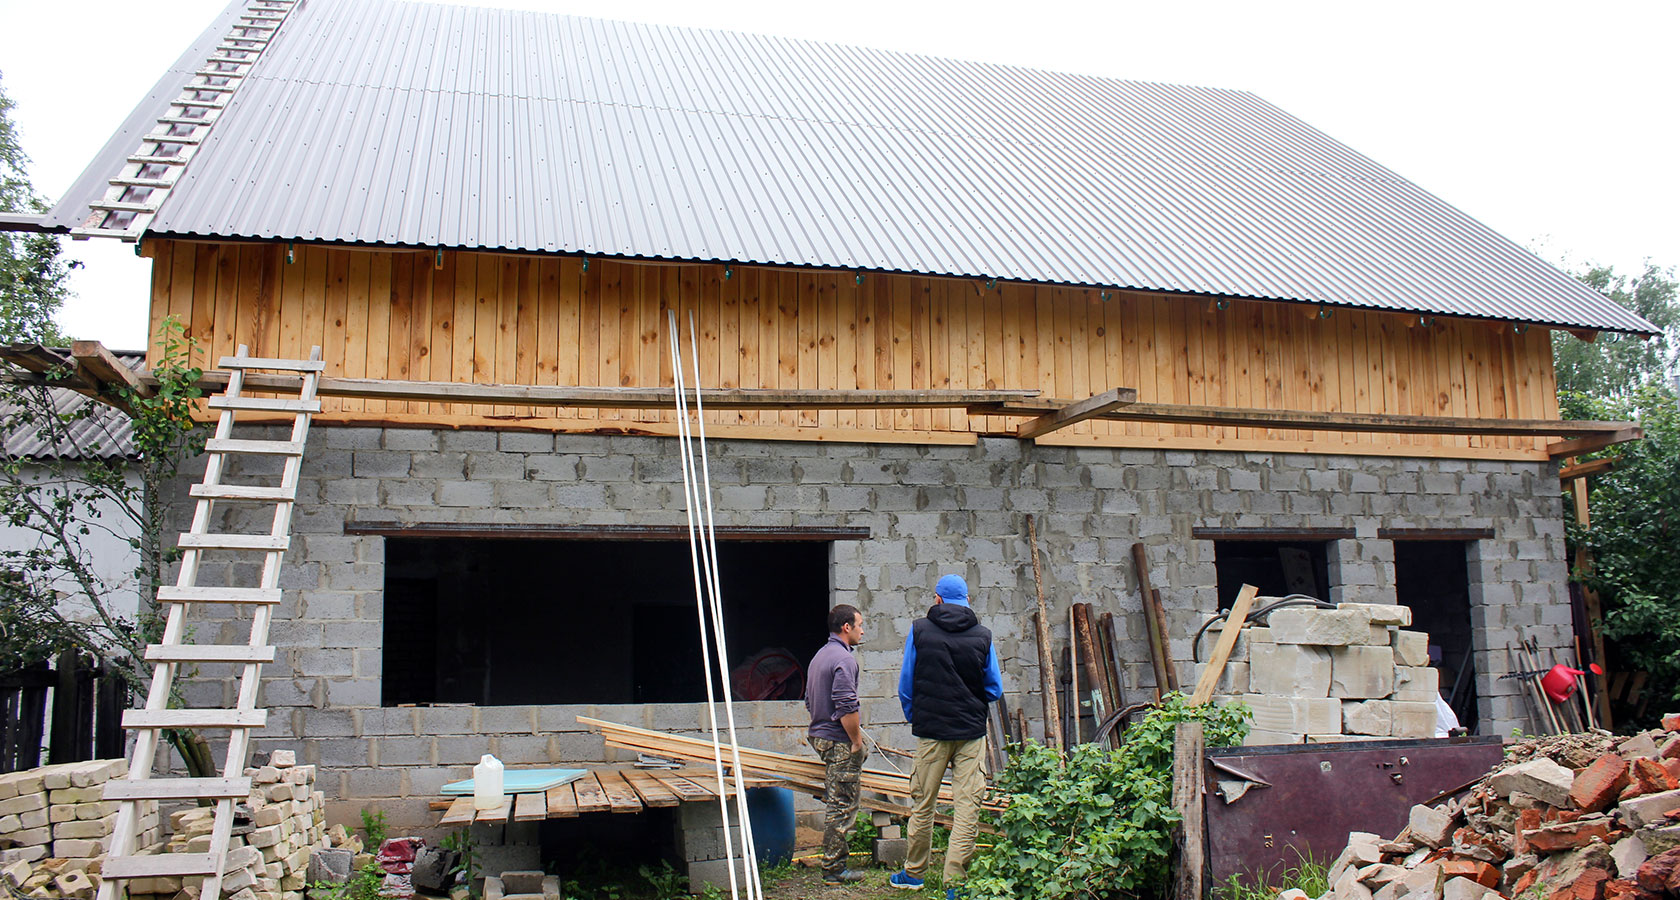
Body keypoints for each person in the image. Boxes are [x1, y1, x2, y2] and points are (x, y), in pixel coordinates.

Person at [890, 575, 1002, 897]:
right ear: (967, 600)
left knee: (924, 803)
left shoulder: (920, 630)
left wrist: (918, 716)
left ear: (937, 599)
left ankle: (914, 874)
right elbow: (994, 688)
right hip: (970, 734)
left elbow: (906, 683)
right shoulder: (983, 635)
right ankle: (955, 884)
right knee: (967, 807)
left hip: (932, 733)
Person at [805, 604, 868, 885]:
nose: (862, 630)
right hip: (839, 739)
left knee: (837, 800)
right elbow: (846, 705)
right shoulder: (844, 659)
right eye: (859, 624)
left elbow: (808, 700)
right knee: (841, 805)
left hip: (821, 735)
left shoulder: (820, 655)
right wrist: (856, 741)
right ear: (846, 627)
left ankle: (834, 865)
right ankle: (834, 869)